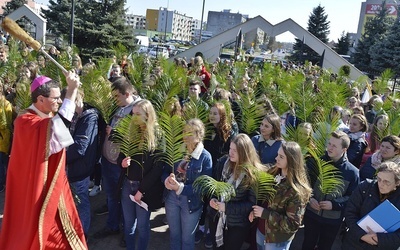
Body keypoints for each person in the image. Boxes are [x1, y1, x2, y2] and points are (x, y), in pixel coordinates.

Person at [0, 72, 87, 249]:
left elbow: (58, 134)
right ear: (40, 99)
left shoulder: (44, 117)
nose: (59, 101)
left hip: (51, 185)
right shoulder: (25, 120)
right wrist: (71, 91)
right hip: (33, 189)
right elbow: (59, 129)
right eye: (55, 98)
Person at [94, 78, 142, 240]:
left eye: (117, 97)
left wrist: (114, 133)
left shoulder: (139, 109)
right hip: (108, 160)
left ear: (127, 94)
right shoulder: (119, 106)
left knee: (125, 200)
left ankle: (126, 232)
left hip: (122, 164)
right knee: (111, 197)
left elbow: (139, 137)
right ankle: (113, 225)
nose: (114, 100)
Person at [118, 100, 165, 250]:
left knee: (143, 227)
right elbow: (121, 154)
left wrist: (141, 190)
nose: (134, 117)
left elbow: (158, 168)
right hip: (127, 184)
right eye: (133, 114)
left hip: (144, 189)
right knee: (129, 225)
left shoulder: (158, 134)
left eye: (138, 114)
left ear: (148, 115)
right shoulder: (131, 130)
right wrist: (122, 162)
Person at [302, 131, 360, 250]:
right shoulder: (315, 163)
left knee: (325, 246)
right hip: (312, 214)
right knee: (307, 244)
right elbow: (304, 185)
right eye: (329, 144)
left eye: (334, 146)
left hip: (332, 220)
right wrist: (310, 198)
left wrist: (334, 204)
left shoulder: (352, 172)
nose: (330, 147)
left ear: (344, 149)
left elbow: (352, 197)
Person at [250, 141, 312, 250]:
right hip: (261, 231)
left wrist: (265, 214)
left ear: (292, 160)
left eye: (281, 157)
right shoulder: (272, 173)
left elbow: (292, 224)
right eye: (278, 154)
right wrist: (255, 211)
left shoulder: (297, 190)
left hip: (276, 240)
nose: (276, 158)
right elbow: (263, 199)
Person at [163, 118, 212, 250]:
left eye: (190, 133)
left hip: (191, 202)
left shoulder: (205, 157)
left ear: (199, 135)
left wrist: (181, 188)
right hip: (171, 198)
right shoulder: (177, 150)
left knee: (187, 239)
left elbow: (203, 187)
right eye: (184, 132)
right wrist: (166, 180)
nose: (185, 136)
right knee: (174, 235)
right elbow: (164, 170)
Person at [208, 133, 264, 250]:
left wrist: (227, 208)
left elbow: (251, 204)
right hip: (217, 219)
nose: (230, 153)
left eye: (235, 150)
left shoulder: (252, 174)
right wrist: (213, 199)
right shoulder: (223, 163)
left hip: (237, 225)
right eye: (230, 148)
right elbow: (214, 185)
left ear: (244, 153)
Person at [196, 102, 237, 248]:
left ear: (222, 115)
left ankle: (210, 233)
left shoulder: (230, 132)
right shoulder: (206, 130)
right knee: (203, 199)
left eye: (215, 113)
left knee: (214, 203)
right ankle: (201, 228)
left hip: (220, 173)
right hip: (205, 170)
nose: (212, 116)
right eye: (211, 113)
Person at [64, 88, 101, 236]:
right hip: (72, 166)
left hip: (80, 168)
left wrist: (61, 157)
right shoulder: (74, 115)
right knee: (74, 202)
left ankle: (83, 235)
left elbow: (80, 147)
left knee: (81, 202)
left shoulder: (89, 117)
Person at [342, 162, 400, 249]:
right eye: (379, 179)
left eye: (386, 182)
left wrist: (379, 239)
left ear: (397, 183)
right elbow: (350, 213)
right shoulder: (365, 187)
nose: (381, 184)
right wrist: (362, 235)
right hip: (353, 243)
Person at [0, 82, 12, 192]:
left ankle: (2, 185)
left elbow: (6, 123)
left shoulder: (6, 104)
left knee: (2, 163)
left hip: (3, 138)